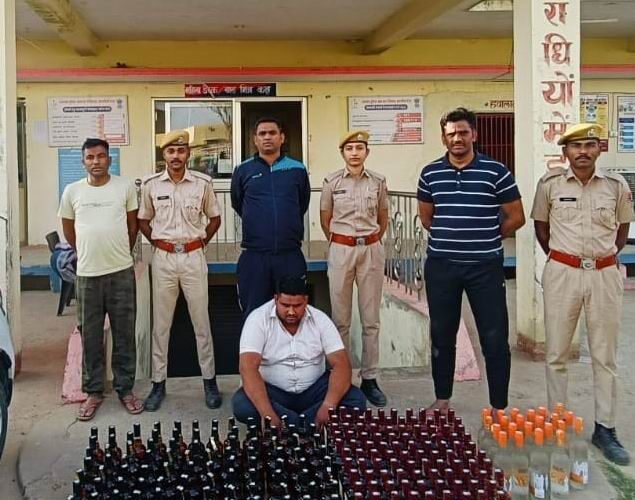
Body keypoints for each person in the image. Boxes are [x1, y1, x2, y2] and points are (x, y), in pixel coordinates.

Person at [531, 123, 633, 465]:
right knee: (557, 353)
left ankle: (605, 428)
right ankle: (557, 422)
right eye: (576, 146)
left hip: (604, 274)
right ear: (565, 152)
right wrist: (566, 259)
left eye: (589, 145)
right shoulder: (549, 185)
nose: (583, 152)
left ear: (599, 149)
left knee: (605, 356)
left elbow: (622, 230)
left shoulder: (616, 186)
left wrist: (601, 258)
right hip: (563, 273)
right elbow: (541, 228)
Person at [417, 107, 525, 414]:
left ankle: (498, 407)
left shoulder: (496, 171)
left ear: (474, 134)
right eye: (451, 134)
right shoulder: (430, 173)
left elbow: (516, 216)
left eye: (463, 132)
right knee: (442, 336)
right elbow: (427, 219)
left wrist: (488, 236)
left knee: (495, 338)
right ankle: (442, 399)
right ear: (443, 138)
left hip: (485, 267)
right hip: (442, 266)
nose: (457, 139)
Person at [58, 138, 143, 420]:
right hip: (87, 276)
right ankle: (93, 392)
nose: (96, 161)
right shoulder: (72, 191)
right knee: (91, 335)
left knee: (124, 334)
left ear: (109, 159)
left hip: (121, 272)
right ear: (83, 161)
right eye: (90, 157)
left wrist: (118, 253)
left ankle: (125, 389)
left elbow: (132, 227)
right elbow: (69, 230)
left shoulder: (124, 187)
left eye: (101, 156)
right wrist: (86, 253)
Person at [138, 129, 222, 411]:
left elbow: (214, 218)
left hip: (193, 257)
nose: (176, 156)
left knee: (201, 322)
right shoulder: (151, 185)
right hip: (163, 259)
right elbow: (144, 220)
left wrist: (200, 243)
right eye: (171, 151)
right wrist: (159, 244)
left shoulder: (202, 183)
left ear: (188, 153)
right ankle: (158, 383)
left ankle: (209, 381)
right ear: (164, 154)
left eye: (181, 150)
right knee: (161, 325)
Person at [232, 276, 366, 427]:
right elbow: (248, 367)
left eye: (297, 306)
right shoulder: (257, 319)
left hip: (314, 391)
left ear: (306, 301)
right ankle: (306, 424)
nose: (291, 311)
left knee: (356, 399)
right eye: (285, 305)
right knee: (242, 404)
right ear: (276, 299)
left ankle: (289, 425)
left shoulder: (320, 319)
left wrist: (328, 405)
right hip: (274, 393)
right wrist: (267, 413)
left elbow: (342, 364)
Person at [319, 130, 389, 407]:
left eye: (360, 148)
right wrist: (342, 241)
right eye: (350, 149)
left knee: (371, 319)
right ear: (343, 153)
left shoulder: (378, 182)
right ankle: (342, 377)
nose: (355, 153)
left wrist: (370, 239)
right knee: (341, 319)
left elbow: (383, 216)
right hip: (342, 249)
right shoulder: (332, 182)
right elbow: (325, 218)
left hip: (370, 250)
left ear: (366, 152)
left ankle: (370, 378)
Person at [230, 117, 311, 319]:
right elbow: (238, 203)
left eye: (272, 133)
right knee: (254, 316)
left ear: (282, 138)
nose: (267, 137)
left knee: (292, 314)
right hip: (255, 256)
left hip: (289, 255)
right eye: (262, 133)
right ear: (255, 140)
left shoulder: (298, 169)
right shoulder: (243, 170)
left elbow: (301, 203)